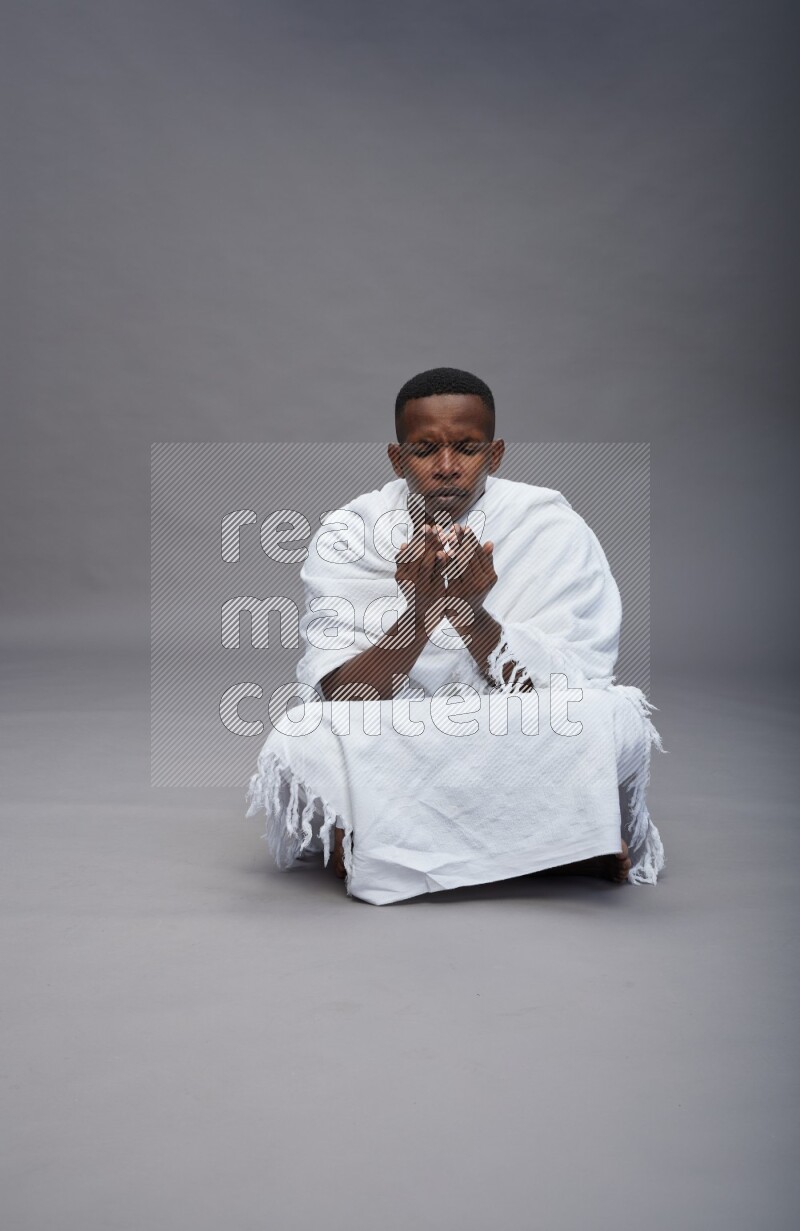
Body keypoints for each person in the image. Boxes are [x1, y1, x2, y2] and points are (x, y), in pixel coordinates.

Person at [247, 367, 665, 904]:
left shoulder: (550, 524)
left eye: (467, 448)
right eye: (424, 450)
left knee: (609, 715)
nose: (447, 468)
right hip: (402, 721)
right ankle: (563, 846)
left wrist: (470, 615)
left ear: (496, 454)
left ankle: (377, 844)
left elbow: (571, 681)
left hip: (514, 719)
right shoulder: (351, 530)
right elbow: (342, 694)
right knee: (308, 729)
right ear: (398, 460)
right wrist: (422, 613)